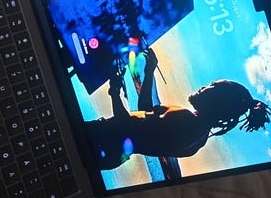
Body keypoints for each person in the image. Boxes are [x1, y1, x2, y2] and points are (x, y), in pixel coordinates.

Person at [86, 48, 271, 170]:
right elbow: (145, 110)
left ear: (217, 101)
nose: (204, 87)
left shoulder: (185, 119)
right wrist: (149, 72)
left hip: (101, 140)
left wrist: (114, 90)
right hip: (111, 155)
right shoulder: (198, 140)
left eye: (211, 86)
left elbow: (125, 127)